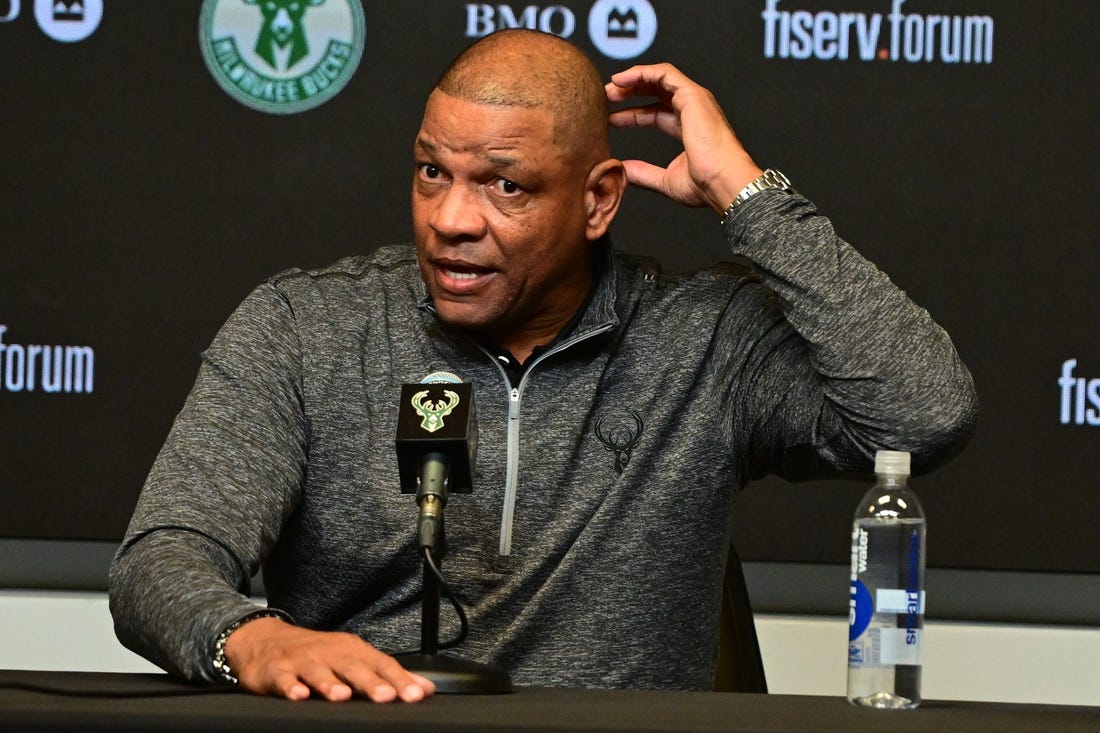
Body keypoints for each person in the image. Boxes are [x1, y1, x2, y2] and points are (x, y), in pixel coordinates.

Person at [109, 29, 977, 703]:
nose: (450, 218)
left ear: (599, 198)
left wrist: (746, 195)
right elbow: (161, 561)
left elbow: (924, 410)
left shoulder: (704, 341)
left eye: (504, 186)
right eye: (430, 171)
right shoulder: (307, 328)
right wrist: (254, 639)